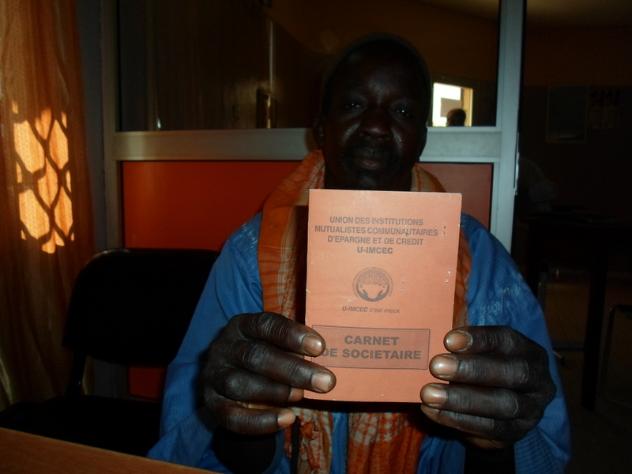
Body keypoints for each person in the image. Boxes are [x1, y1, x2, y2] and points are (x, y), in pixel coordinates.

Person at [148, 34, 570, 473]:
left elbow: (534, 455)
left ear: (422, 137)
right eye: (353, 105)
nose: (376, 126)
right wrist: (235, 420)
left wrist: (498, 439)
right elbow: (206, 451)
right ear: (320, 128)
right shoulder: (250, 255)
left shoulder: (483, 263)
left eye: (402, 112)